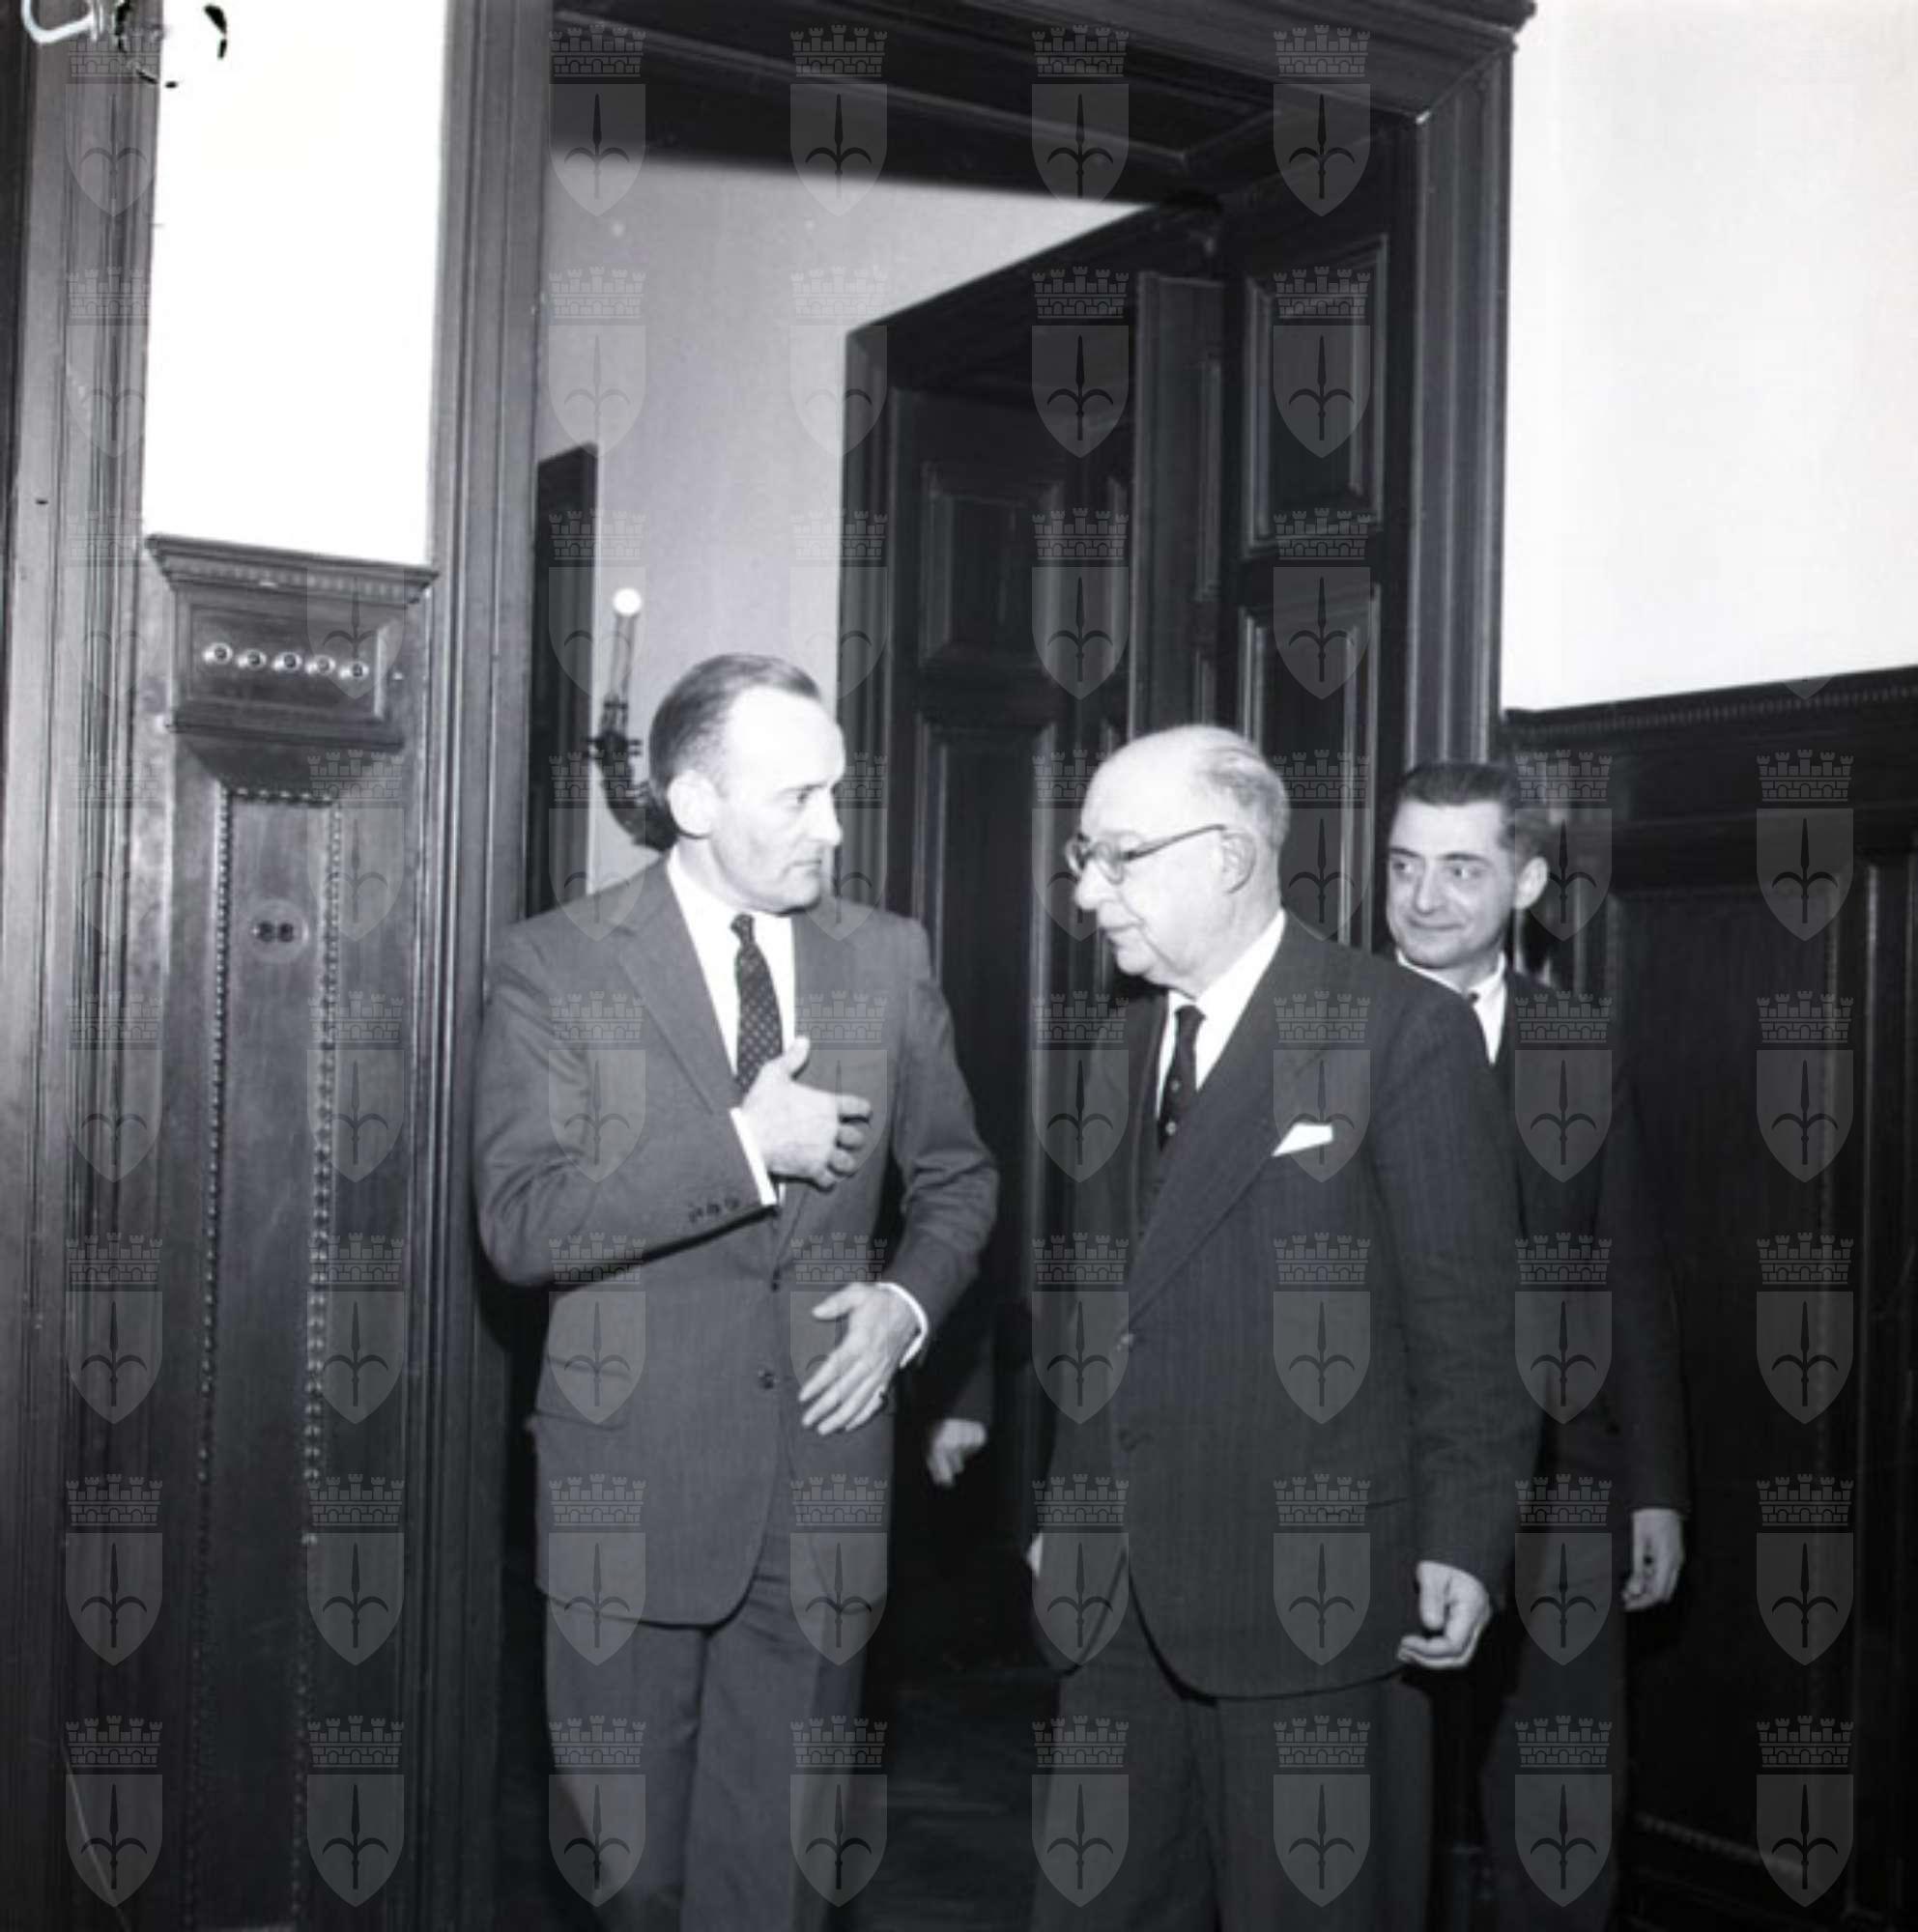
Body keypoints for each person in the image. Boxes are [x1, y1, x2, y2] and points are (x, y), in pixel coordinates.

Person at [473, 654, 997, 1930]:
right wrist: (743, 1147)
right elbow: (522, 1222)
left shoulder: (886, 956)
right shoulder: (555, 964)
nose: (833, 828)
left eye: (837, 791)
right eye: (798, 797)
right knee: (634, 1878)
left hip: (824, 1487)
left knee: (778, 1883)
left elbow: (957, 1180)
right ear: (694, 801)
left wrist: (905, 1307)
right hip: (628, 1492)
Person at [1029, 725, 1535, 1931]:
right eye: (1083, 857)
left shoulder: (1397, 1029)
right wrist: (1066, 1507)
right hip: (1118, 1603)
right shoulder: (1116, 1046)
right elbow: (1099, 1310)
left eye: (1118, 855)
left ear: (1226, 856)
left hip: (1314, 1601)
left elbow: (1469, 1323)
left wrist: (1463, 1538)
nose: (1087, 892)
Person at [1385, 760, 1687, 1930]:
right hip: (1379, 1481)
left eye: (1459, 869)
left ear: (1523, 882)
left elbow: (1628, 1272)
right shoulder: (1318, 1030)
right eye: (1403, 866)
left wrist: (1655, 1485)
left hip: (1564, 1483)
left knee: (1558, 1812)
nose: (1423, 898)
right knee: (1368, 1821)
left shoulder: (1575, 1040)